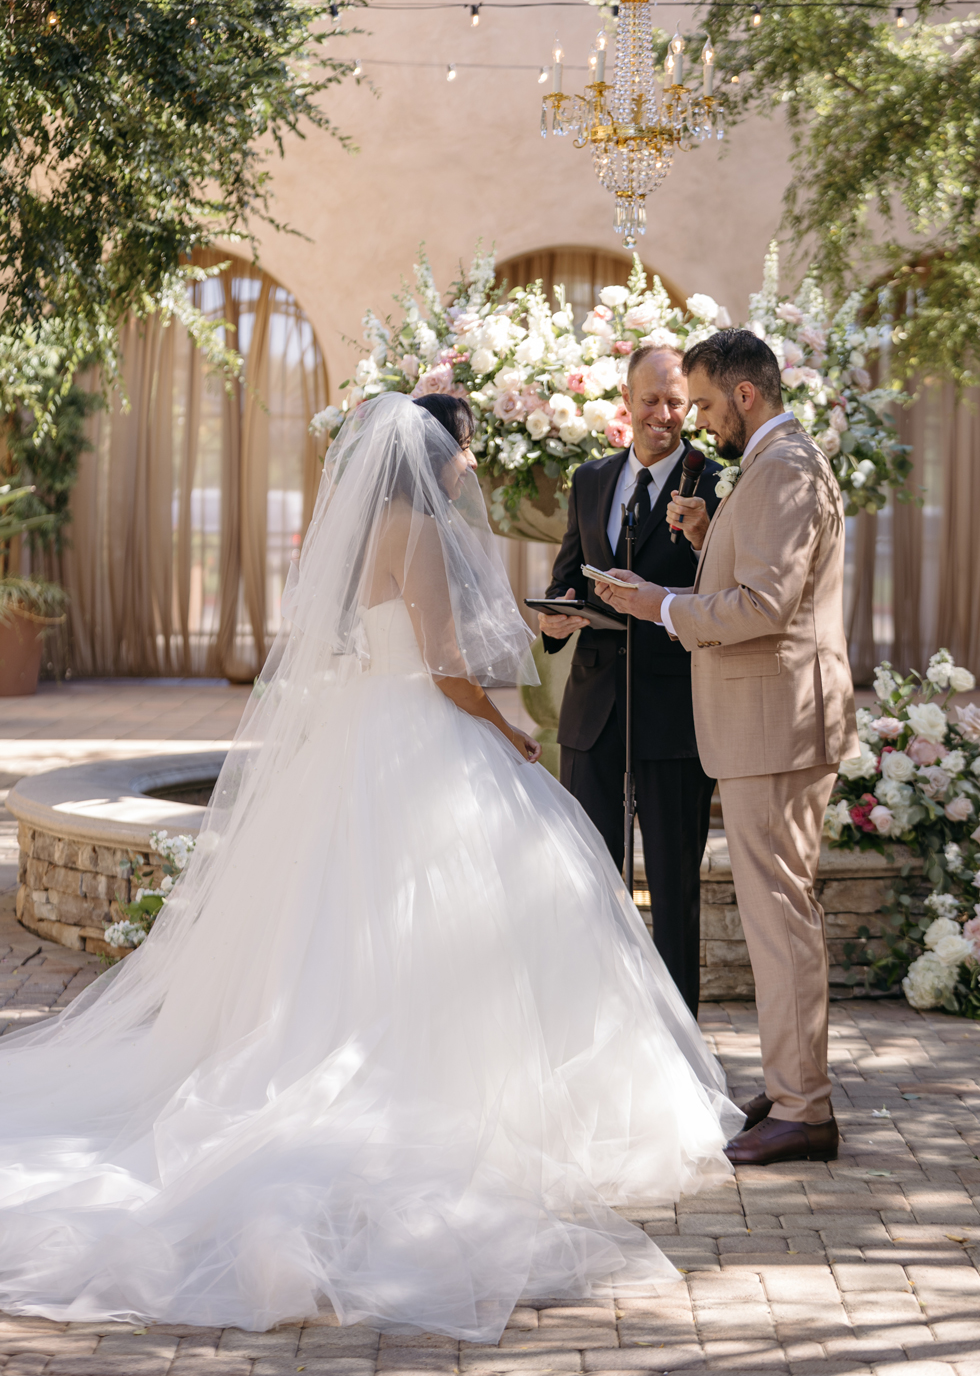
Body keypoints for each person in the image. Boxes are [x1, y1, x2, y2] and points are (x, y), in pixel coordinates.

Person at [0, 391, 742, 1339]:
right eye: (466, 452)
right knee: (489, 901)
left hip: (363, 731)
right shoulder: (423, 535)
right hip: (424, 729)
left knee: (351, 916)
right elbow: (442, 667)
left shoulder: (357, 535)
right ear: (435, 456)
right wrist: (509, 723)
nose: (472, 467)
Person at [596, 330, 858, 1168]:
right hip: (771, 721)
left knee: (779, 916)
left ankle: (803, 1106)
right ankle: (791, 1085)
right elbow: (755, 576)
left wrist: (660, 610)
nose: (700, 421)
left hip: (775, 724)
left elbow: (765, 605)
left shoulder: (782, 465)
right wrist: (711, 533)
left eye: (705, 403)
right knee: (780, 912)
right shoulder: (779, 465)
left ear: (745, 395)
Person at [537, 345, 721, 1015]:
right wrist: (555, 618)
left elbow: (723, 594)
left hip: (675, 714)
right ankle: (592, 1025)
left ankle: (678, 1043)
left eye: (676, 402)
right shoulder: (590, 479)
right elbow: (567, 575)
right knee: (585, 879)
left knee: (675, 889)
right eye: (651, 401)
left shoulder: (717, 483)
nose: (664, 415)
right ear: (627, 399)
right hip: (593, 712)